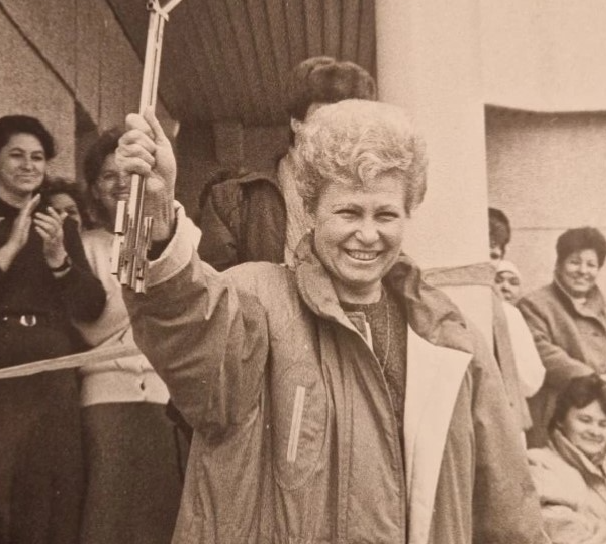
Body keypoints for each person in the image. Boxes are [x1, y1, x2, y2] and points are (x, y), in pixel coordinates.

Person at [116, 101, 547, 544]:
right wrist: (159, 219)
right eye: (348, 212)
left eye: (385, 214)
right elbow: (188, 324)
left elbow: (507, 505)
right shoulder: (256, 300)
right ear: (312, 209)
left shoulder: (449, 338)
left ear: (408, 213)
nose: (368, 234)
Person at [0, 114, 105, 544]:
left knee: (45, 500)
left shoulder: (59, 226)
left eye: (38, 157)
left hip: (47, 380)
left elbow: (92, 306)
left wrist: (58, 259)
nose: (29, 165)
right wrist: (12, 245)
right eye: (17, 155)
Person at [75, 128, 196, 544]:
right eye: (108, 176)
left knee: (160, 517)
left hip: (163, 399)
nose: (120, 184)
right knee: (107, 516)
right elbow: (98, 321)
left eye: (128, 173)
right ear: (94, 188)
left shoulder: (162, 241)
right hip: (105, 398)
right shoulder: (84, 246)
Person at [198, 55, 377, 270]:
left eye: (350, 120)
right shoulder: (229, 199)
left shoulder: (373, 198)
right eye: (325, 116)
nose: (339, 130)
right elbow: (214, 286)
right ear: (296, 123)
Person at [518, 227, 606, 448]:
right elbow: (541, 351)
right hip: (553, 412)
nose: (583, 271)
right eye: (574, 262)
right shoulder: (534, 305)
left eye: (591, 264)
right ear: (559, 263)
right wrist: (592, 378)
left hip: (600, 415)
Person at [527, 374, 606, 544]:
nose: (595, 431)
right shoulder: (540, 465)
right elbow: (568, 537)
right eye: (585, 420)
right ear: (560, 420)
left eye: (604, 424)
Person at [494, 259, 545, 424]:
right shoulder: (509, 314)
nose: (505, 287)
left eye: (513, 282)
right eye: (498, 280)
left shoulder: (518, 317)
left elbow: (532, 375)